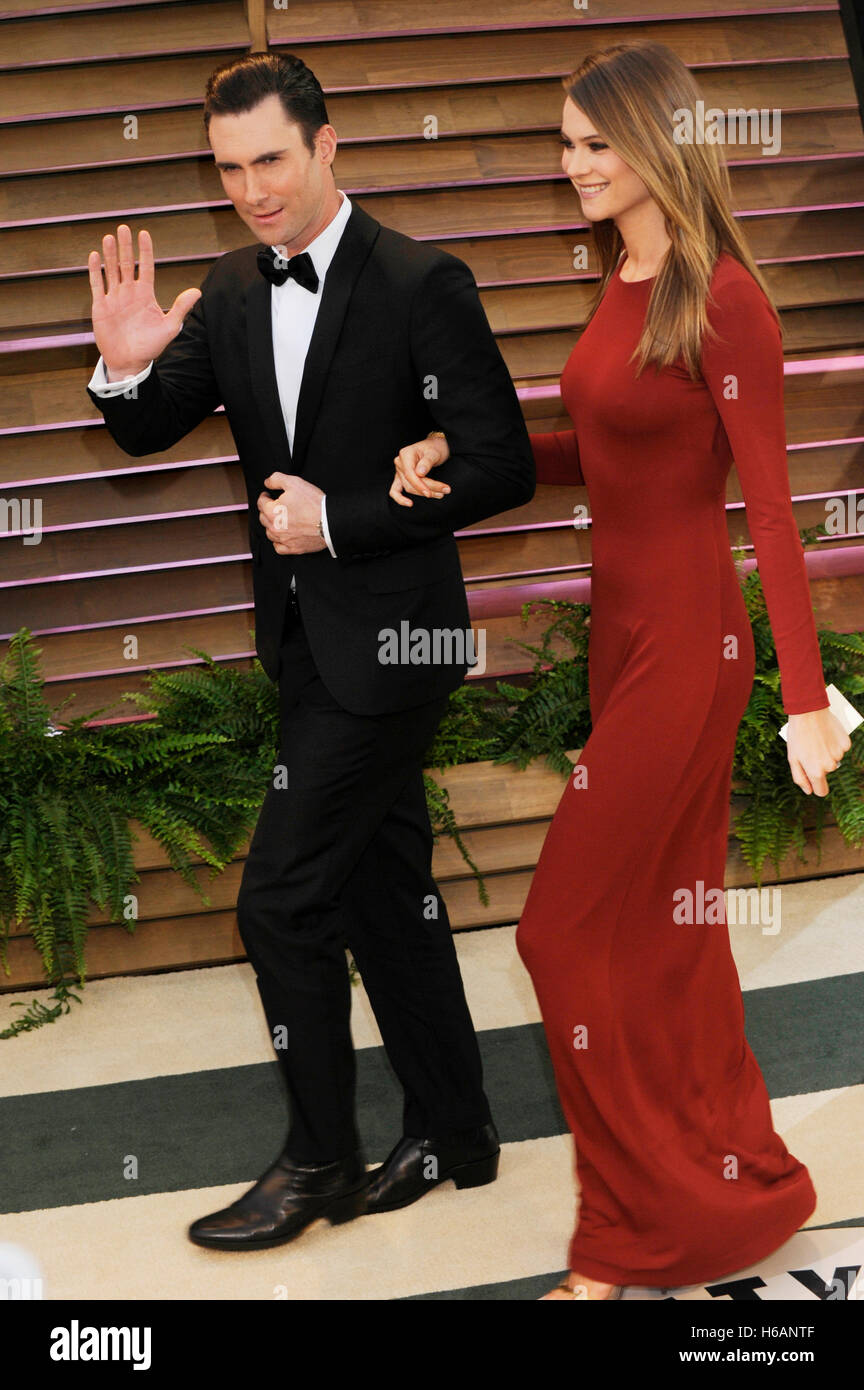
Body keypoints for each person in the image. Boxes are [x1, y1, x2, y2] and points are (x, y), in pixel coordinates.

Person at [391, 41, 851, 1300]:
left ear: (656, 142)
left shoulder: (725, 298)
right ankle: (728, 1184)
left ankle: (619, 1245)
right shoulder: (622, 280)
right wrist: (461, 452)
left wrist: (805, 697)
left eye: (595, 144)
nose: (575, 165)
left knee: (558, 930)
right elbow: (605, 454)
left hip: (693, 647)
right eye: (566, 143)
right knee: (666, 939)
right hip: (626, 639)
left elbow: (771, 509)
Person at [85, 51, 535, 1251]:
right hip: (303, 650)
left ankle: (320, 1161)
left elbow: (503, 463)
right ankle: (456, 1130)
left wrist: (341, 520)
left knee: (280, 903)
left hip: (399, 641)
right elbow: (146, 427)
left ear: (328, 146)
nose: (252, 190)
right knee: (386, 894)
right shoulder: (236, 287)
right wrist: (123, 364)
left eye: (272, 160)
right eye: (229, 168)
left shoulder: (421, 282)